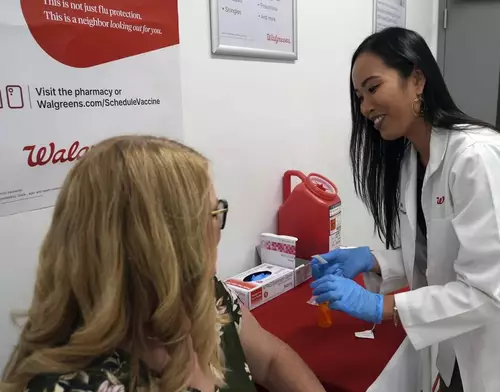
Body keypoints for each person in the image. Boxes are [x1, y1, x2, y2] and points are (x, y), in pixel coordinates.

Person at [311, 28, 500, 392]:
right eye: (359, 96)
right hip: (463, 350)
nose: (365, 107)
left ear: (417, 80)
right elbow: (436, 257)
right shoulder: (412, 160)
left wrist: (380, 306)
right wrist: (371, 261)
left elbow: (482, 291)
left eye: (373, 88)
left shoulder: (478, 159)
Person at [1, 136, 325, 392]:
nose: (218, 229)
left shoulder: (204, 294)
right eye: (212, 215)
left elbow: (271, 359)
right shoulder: (75, 384)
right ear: (159, 242)